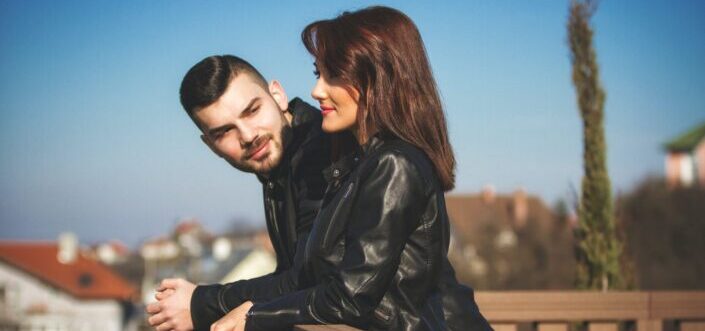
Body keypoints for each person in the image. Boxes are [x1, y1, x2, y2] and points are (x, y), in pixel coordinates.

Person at [208, 6, 492, 331]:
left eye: (334, 75)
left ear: (378, 77)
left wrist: (253, 315)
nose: (317, 91)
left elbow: (350, 296)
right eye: (318, 74)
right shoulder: (356, 165)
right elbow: (318, 278)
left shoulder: (394, 164)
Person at [145, 55, 332, 331]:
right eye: (224, 131)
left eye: (252, 111)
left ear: (278, 95)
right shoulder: (279, 169)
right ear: (210, 145)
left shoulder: (320, 154)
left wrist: (199, 303)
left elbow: (308, 279)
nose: (247, 135)